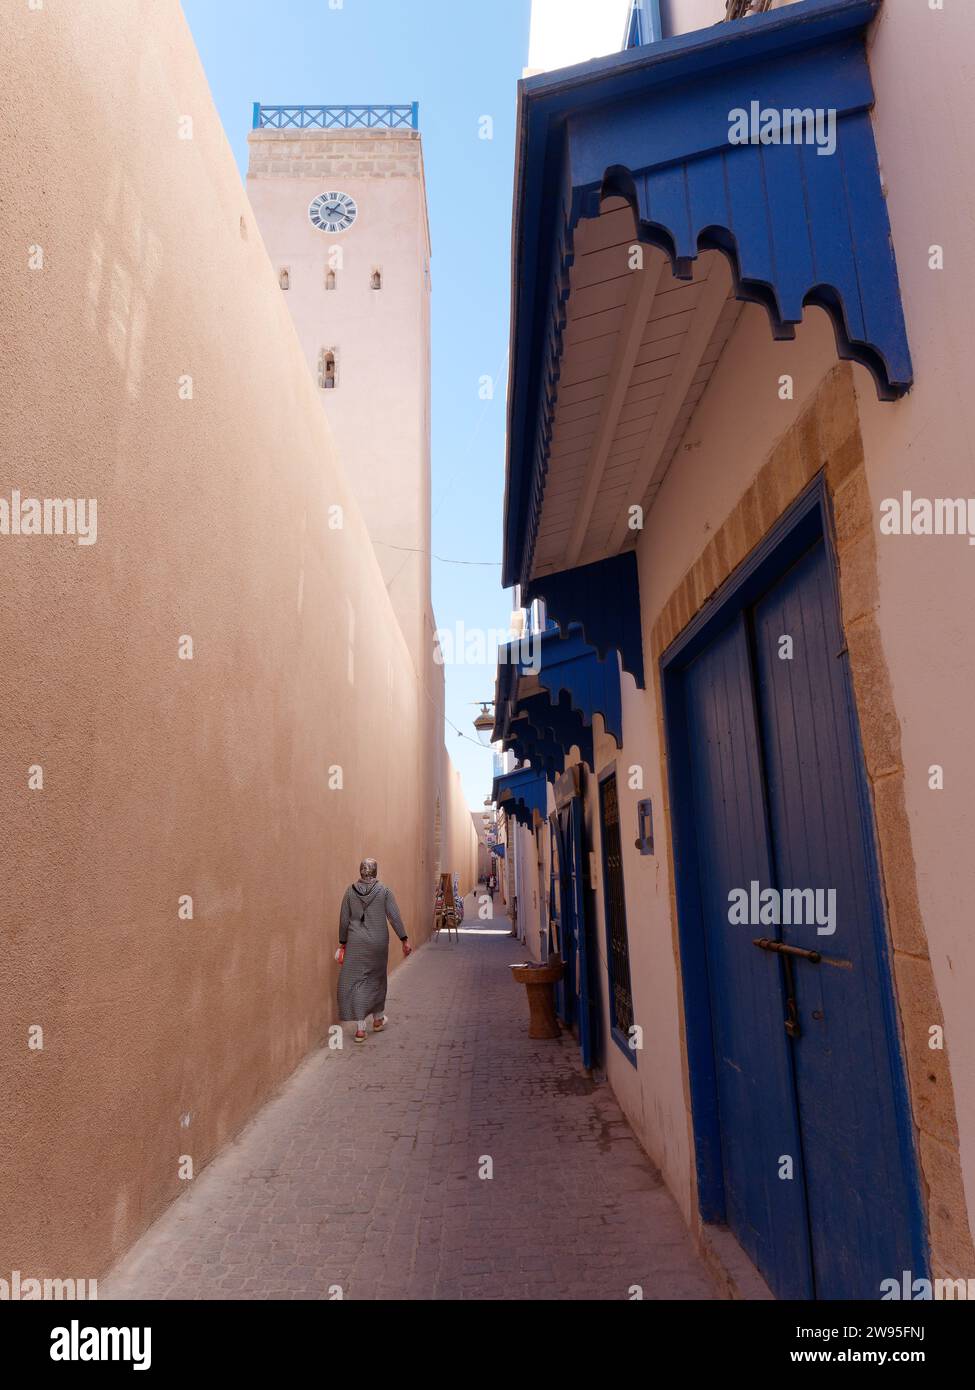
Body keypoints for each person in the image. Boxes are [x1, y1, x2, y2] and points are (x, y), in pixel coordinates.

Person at [336, 858, 412, 1043]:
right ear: (375, 871)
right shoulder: (383, 891)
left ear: (361, 871)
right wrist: (404, 939)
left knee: (357, 982)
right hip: (378, 942)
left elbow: (344, 919)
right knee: (377, 979)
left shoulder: (349, 892)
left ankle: (361, 1029)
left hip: (356, 943)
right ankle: (378, 1020)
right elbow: (394, 916)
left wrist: (343, 942)